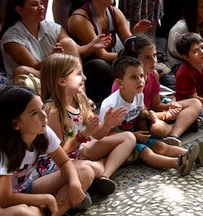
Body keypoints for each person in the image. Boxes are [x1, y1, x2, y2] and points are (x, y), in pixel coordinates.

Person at [0, 86, 94, 216]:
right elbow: (5, 198)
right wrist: (47, 199)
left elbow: (65, 162)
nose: (44, 116)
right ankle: (60, 207)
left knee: (85, 172)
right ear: (16, 123)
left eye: (42, 109)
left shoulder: (42, 131)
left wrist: (73, 184)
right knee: (21, 215)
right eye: (34, 113)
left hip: (27, 188)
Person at [40, 52, 135, 196]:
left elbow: (97, 134)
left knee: (129, 137)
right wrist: (85, 133)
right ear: (62, 81)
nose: (84, 78)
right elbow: (60, 151)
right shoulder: (52, 111)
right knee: (91, 168)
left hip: (82, 149)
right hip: (60, 161)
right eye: (78, 74)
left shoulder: (79, 97)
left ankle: (104, 177)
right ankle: (97, 171)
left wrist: (107, 125)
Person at [100, 56, 203, 176]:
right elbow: (105, 135)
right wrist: (134, 136)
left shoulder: (138, 95)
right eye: (133, 77)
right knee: (147, 153)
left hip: (138, 134)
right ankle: (177, 163)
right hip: (123, 143)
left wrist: (147, 114)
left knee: (160, 146)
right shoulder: (111, 106)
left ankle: (193, 154)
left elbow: (140, 111)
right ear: (120, 83)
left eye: (141, 76)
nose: (140, 81)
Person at [67, 0, 150, 103]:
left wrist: (136, 36)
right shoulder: (79, 19)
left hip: (111, 61)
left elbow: (129, 43)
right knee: (103, 66)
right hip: (90, 67)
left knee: (145, 63)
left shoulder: (115, 12)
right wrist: (131, 57)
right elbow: (101, 55)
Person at [119, 34, 203, 142]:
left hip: (151, 113)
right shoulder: (128, 82)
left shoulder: (153, 74)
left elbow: (156, 104)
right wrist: (166, 115)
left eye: (154, 55)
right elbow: (140, 114)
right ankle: (184, 125)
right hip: (138, 119)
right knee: (158, 129)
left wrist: (172, 107)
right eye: (147, 58)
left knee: (195, 103)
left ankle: (174, 136)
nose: (154, 61)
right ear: (134, 59)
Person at [0, 0, 79, 81]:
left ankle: (79, 92)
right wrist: (53, 57)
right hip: (35, 80)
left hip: (55, 75)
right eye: (34, 5)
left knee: (68, 42)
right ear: (20, 10)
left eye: (41, 3)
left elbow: (75, 49)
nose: (41, 7)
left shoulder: (51, 26)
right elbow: (34, 67)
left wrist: (92, 45)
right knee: (22, 71)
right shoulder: (11, 38)